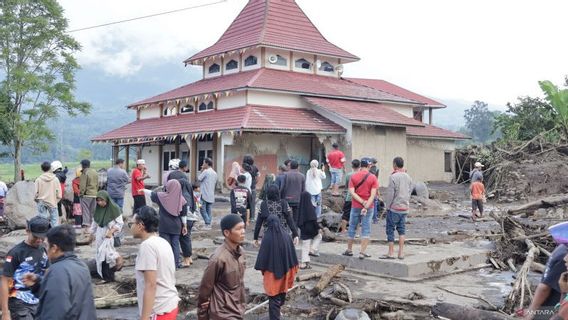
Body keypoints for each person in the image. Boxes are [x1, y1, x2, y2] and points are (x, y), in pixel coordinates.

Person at [34, 224, 96, 319]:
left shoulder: (56, 271)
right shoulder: (82, 266)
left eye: (46, 245)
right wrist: (37, 283)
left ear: (54, 248)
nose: (45, 250)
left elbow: (55, 312)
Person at [130, 206, 180, 319]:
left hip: (158, 310)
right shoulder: (162, 241)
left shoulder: (147, 246)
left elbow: (151, 285)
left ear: (140, 225)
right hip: (170, 303)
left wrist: (144, 317)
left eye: (131, 224)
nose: (131, 227)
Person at [198, 215, 246, 320]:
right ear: (226, 233)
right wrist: (202, 315)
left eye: (243, 228)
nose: (243, 231)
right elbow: (205, 288)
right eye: (238, 229)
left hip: (238, 309)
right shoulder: (218, 258)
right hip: (222, 313)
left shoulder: (241, 253)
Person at [1, 216, 50, 320]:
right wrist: (5, 312)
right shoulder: (16, 253)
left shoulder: (44, 250)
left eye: (42, 237)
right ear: (27, 231)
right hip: (19, 302)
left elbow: (48, 273)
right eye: (36, 236)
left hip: (38, 301)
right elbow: (4, 281)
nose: (39, 240)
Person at [254, 215, 299, 320]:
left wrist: (264, 270)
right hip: (286, 271)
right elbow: (292, 256)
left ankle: (275, 317)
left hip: (272, 274)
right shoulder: (286, 235)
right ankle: (277, 312)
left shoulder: (267, 237)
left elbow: (262, 259)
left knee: (273, 298)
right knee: (282, 292)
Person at [146, 179, 187, 269]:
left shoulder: (162, 197)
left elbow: (151, 194)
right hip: (177, 225)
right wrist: (185, 226)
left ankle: (166, 265)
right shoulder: (182, 199)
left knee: (165, 246)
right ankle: (176, 264)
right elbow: (184, 214)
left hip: (164, 225)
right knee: (175, 245)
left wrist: (142, 190)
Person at [343, 157, 378, 259]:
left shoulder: (353, 176)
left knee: (352, 227)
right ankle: (362, 252)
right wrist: (366, 205)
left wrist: (361, 201)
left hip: (355, 206)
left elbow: (352, 192)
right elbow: (373, 195)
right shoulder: (373, 177)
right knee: (366, 229)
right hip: (369, 207)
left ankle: (349, 250)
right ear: (369, 165)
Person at [524, 245, 568, 320]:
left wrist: (530, 312)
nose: (565, 258)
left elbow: (544, 287)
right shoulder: (563, 254)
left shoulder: (561, 249)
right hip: (552, 304)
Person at [167, 160, 196, 267]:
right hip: (192, 217)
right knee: (187, 236)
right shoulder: (188, 191)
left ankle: (187, 259)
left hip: (186, 218)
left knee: (184, 236)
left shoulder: (179, 196)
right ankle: (189, 257)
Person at [382, 157, 412, 260]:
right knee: (402, 230)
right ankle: (401, 253)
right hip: (404, 208)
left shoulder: (393, 177)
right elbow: (409, 191)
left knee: (390, 229)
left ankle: (390, 252)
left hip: (394, 208)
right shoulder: (408, 177)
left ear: (394, 164)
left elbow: (390, 194)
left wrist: (387, 207)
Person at [90, 191, 124, 281]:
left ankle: (115, 265)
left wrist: (112, 231)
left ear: (107, 199)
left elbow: (120, 223)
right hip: (99, 233)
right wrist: (91, 233)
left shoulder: (115, 209)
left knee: (107, 254)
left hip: (108, 234)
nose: (100, 203)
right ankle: (104, 276)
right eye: (98, 200)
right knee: (100, 254)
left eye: (102, 200)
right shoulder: (98, 209)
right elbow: (95, 221)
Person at [297, 191, 322, 270]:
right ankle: (313, 249)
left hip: (303, 229)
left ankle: (304, 264)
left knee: (305, 245)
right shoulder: (310, 207)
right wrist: (318, 228)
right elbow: (313, 219)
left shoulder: (300, 208)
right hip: (311, 228)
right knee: (319, 236)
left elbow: (297, 220)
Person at [35, 161, 62, 227]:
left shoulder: (38, 179)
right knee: (54, 222)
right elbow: (59, 195)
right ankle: (54, 236)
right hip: (52, 202)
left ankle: (42, 235)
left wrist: (37, 201)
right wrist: (56, 201)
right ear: (50, 168)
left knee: (42, 221)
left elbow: (35, 194)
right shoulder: (55, 179)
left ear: (42, 169)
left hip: (41, 202)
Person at [280, 160, 305, 229]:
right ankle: (295, 233)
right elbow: (303, 190)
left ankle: (285, 230)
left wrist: (280, 198)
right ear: (298, 167)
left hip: (287, 199)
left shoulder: (285, 175)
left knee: (285, 215)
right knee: (295, 218)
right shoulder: (302, 176)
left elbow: (282, 187)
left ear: (290, 166)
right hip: (297, 200)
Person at [339, 160, 360, 234]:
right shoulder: (361, 175)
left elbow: (347, 186)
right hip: (359, 198)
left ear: (352, 166)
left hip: (349, 197)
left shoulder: (349, 175)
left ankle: (343, 231)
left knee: (345, 215)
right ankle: (357, 232)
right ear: (359, 166)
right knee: (357, 215)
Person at [198, 157, 217, 230]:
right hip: (211, 194)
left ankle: (207, 222)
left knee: (201, 208)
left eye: (203, 163)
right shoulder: (215, 173)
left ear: (207, 163)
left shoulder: (206, 171)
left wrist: (202, 170)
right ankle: (209, 224)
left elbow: (199, 178)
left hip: (203, 193)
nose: (202, 164)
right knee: (208, 209)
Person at [79, 159, 98, 229]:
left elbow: (83, 186)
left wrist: (81, 193)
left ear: (82, 165)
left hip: (86, 195)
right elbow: (97, 184)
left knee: (86, 210)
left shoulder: (85, 172)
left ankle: (86, 225)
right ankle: (94, 226)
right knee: (93, 211)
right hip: (94, 194)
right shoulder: (95, 172)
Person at [243, 155, 260, 221]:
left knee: (244, 203)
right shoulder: (255, 167)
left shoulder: (244, 167)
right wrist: (255, 183)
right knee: (252, 203)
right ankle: (252, 217)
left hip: (244, 188)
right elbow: (258, 176)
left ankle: (244, 216)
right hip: (252, 188)